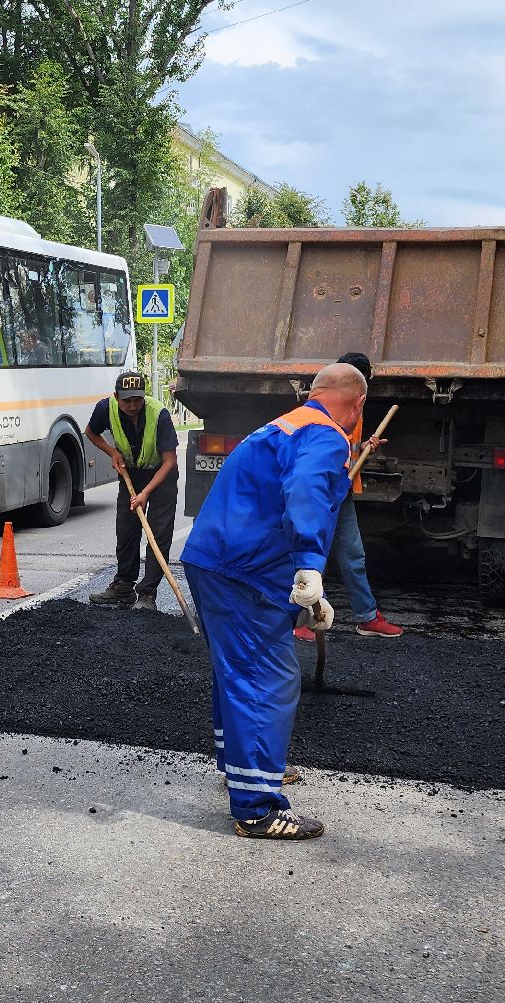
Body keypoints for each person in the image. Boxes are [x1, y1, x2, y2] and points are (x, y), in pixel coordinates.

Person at [180, 363, 366, 840]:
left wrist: (303, 594)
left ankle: (242, 768)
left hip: (217, 561)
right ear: (358, 405)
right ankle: (258, 807)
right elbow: (304, 490)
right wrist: (309, 567)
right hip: (243, 572)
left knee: (237, 672)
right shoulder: (327, 435)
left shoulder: (285, 424)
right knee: (269, 679)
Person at [295, 351, 403, 645]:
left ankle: (367, 617)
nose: (362, 393)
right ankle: (306, 619)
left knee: (353, 555)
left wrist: (366, 446)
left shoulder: (355, 404)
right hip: (322, 492)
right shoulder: (325, 407)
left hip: (341, 490)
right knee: (312, 555)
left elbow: (347, 446)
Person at [86, 371, 179, 611]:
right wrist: (112, 452)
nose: (132, 405)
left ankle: (147, 594)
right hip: (131, 473)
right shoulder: (105, 408)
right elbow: (91, 432)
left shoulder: (159, 414)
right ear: (117, 396)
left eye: (137, 399)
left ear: (143, 396)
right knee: (126, 530)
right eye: (127, 400)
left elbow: (170, 460)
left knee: (158, 535)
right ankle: (124, 587)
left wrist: (146, 492)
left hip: (161, 476)